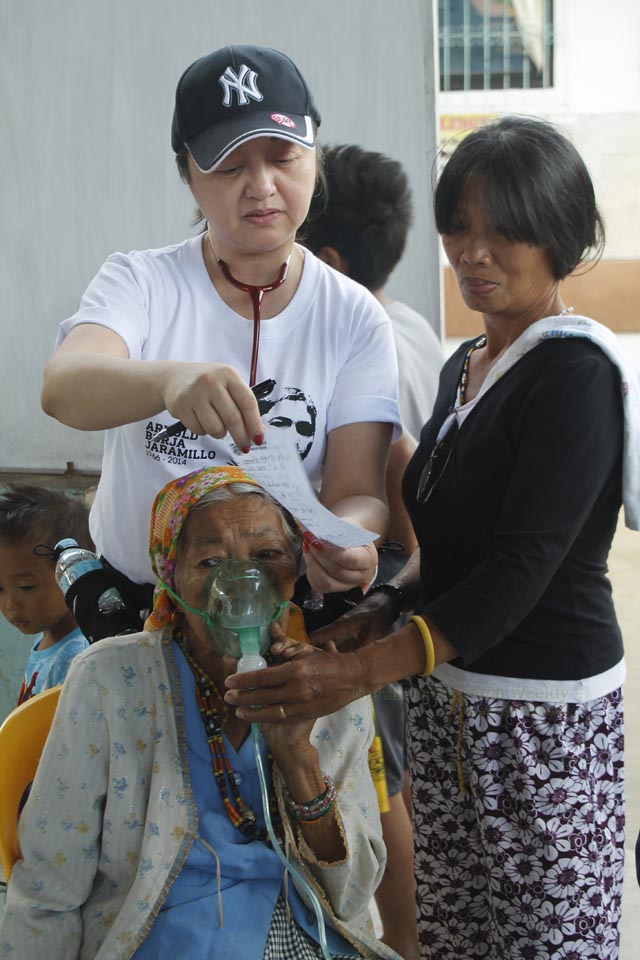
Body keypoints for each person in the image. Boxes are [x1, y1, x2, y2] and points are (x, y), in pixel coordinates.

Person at [225, 116, 640, 959]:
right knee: (456, 936)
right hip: (447, 704)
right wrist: (373, 609)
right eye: (460, 226)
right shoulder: (464, 366)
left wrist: (353, 674)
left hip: (540, 729)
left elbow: (515, 574)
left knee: (543, 942)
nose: (473, 252)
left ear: (562, 235)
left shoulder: (575, 374)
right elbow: (444, 545)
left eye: (505, 229)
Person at [40, 44, 399, 631]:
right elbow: (63, 387)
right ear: (188, 174)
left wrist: (348, 540)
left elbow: (359, 490)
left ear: (315, 158)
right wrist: (167, 380)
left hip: (280, 617)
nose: (261, 186)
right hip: (142, 612)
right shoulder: (142, 282)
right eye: (230, 167)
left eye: (283, 157)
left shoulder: (353, 315)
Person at [0, 466, 398, 960]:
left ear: (294, 570)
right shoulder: (110, 681)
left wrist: (298, 756)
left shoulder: (334, 694)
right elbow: (49, 883)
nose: (241, 582)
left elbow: (352, 894)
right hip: (155, 938)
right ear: (170, 575)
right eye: (209, 561)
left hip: (299, 936)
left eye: (267, 555)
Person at [303, 143, 447, 960]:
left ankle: (404, 945)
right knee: (397, 783)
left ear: (327, 260)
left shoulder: (361, 344)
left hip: (383, 578)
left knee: (381, 787)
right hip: (403, 575)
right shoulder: (414, 325)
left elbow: (395, 462)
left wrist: (384, 591)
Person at [0, 483, 91, 704]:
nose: (10, 605)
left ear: (71, 571)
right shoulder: (47, 636)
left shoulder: (76, 659)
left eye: (26, 587)